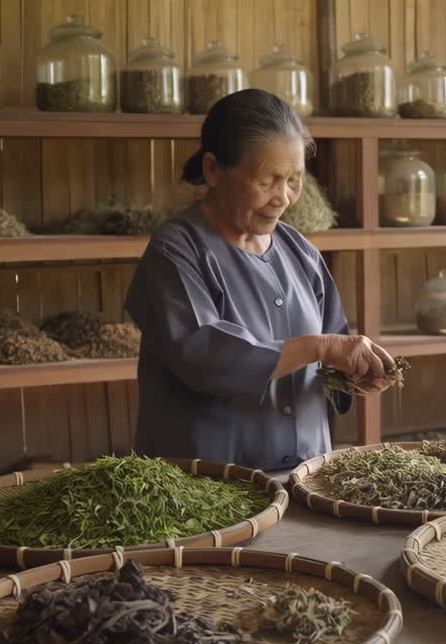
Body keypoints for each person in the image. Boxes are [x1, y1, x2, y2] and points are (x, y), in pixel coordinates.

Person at [125, 89, 396, 470]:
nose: (282, 198)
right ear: (213, 170)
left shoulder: (300, 251)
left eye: (294, 180)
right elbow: (203, 355)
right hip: (207, 485)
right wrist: (320, 347)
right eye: (267, 181)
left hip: (303, 474)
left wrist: (355, 374)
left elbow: (332, 346)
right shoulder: (176, 251)